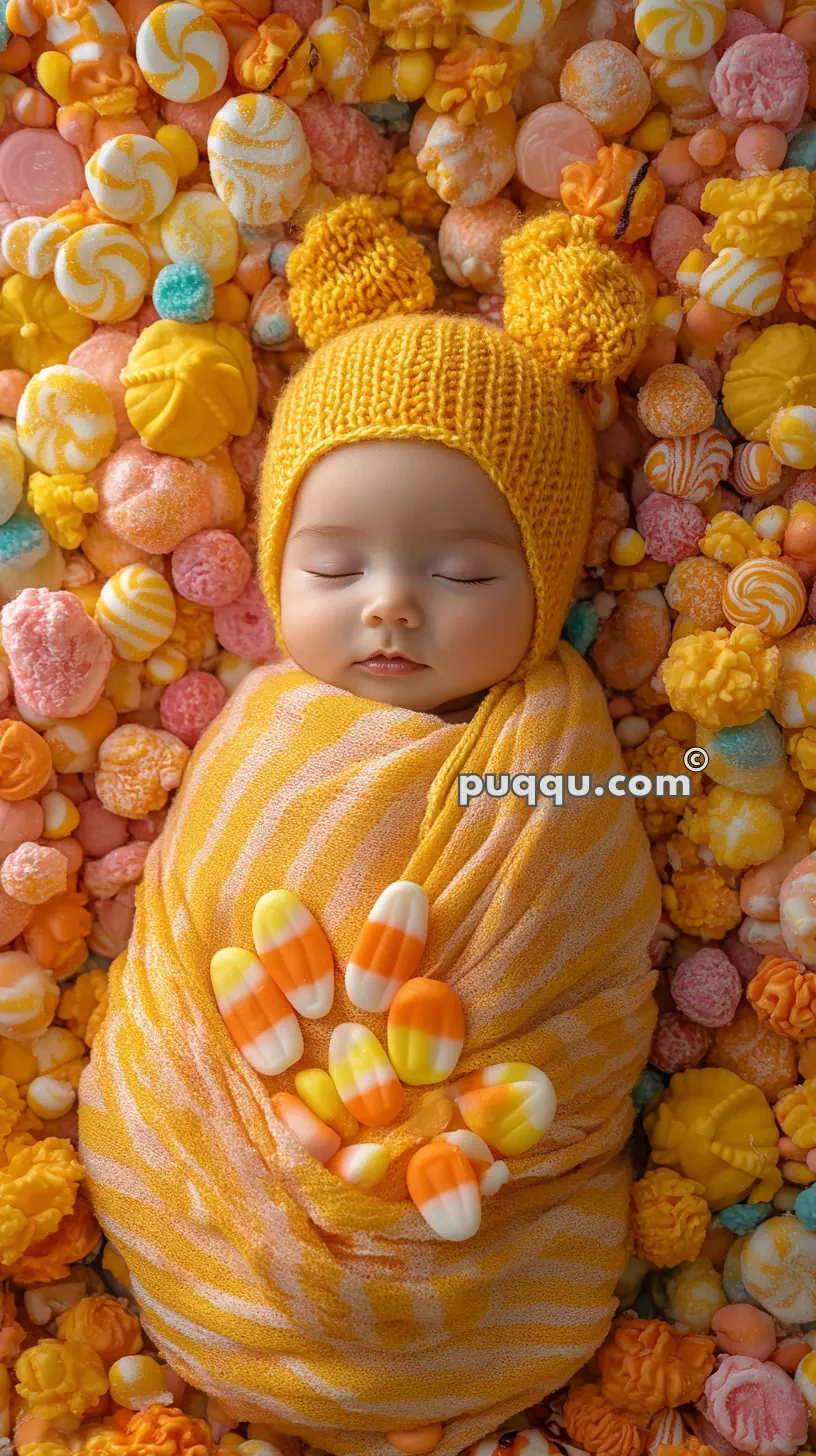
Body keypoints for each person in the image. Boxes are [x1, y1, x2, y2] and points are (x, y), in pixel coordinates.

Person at [79, 199, 662, 1456]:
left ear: (549, 589)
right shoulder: (263, 735)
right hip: (220, 1163)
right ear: (277, 571)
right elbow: (193, 925)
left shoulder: (560, 768)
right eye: (335, 568)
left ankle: (410, 1308)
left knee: (454, 1225)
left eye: (460, 573)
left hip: (467, 1222)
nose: (391, 606)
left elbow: (598, 971)